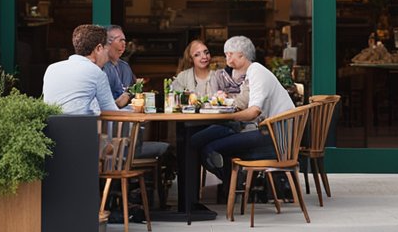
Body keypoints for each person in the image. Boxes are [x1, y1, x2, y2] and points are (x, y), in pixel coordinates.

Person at [190, 35, 295, 182]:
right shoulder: (251, 74)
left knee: (210, 147)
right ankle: (234, 185)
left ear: (241, 55)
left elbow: (254, 111)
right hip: (270, 132)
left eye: (229, 54)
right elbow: (242, 103)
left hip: (277, 138)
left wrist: (227, 116)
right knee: (206, 139)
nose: (226, 57)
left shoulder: (256, 71)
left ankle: (236, 185)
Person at [102, 24, 168, 159]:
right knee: (166, 149)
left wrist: (137, 93)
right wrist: (125, 98)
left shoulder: (125, 67)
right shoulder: (101, 69)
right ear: (107, 43)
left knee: (165, 147)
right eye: (120, 40)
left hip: (131, 128)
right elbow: (109, 105)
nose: (124, 44)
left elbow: (136, 92)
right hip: (111, 136)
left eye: (125, 40)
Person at [42, 24, 118, 115]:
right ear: (99, 48)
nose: (108, 57)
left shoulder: (51, 69)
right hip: (81, 124)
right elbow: (111, 112)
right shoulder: (96, 72)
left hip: (51, 124)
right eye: (107, 50)